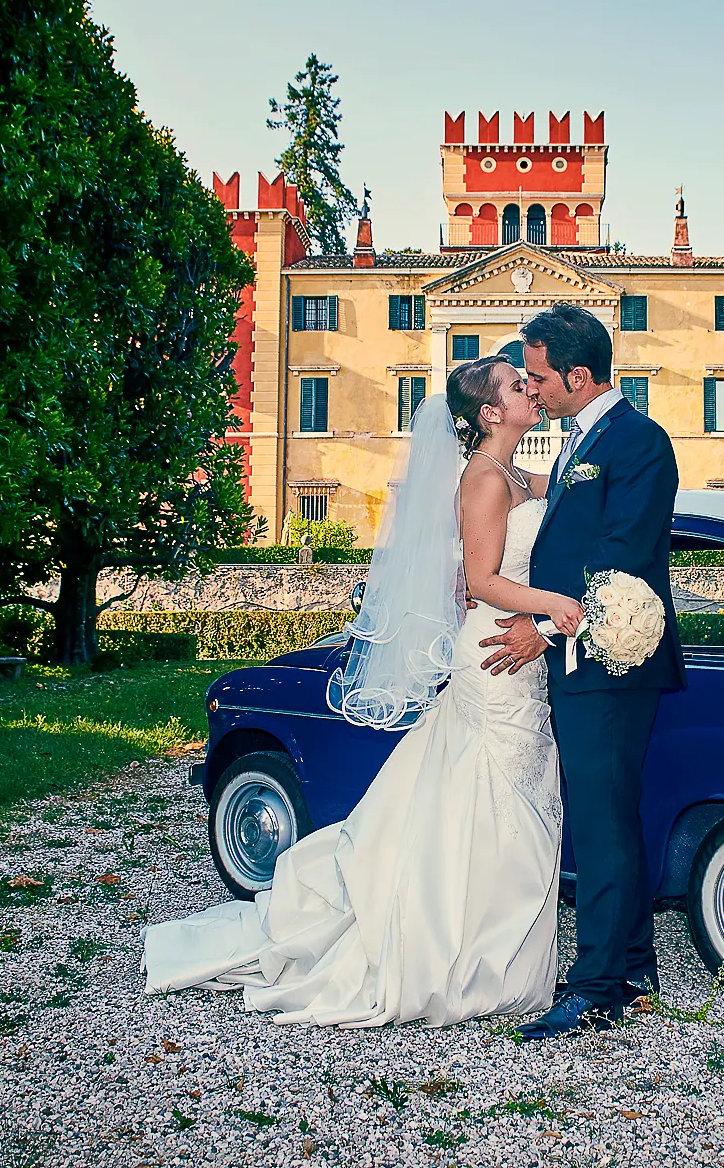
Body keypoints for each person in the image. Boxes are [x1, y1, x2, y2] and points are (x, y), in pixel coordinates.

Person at [140, 357, 585, 1027]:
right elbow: (482, 579)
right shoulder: (484, 478)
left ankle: (499, 955)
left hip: (523, 658)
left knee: (510, 799)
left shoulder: (521, 474)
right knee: (491, 797)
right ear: (492, 412)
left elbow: (574, 487)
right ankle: (468, 960)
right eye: (518, 385)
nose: (531, 389)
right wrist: (555, 604)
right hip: (494, 650)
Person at [479, 303, 686, 1040]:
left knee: (600, 823)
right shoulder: (579, 438)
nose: (532, 389)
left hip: (609, 660)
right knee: (609, 816)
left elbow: (622, 555)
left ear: (578, 373)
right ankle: (632, 965)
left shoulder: (639, 440)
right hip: (583, 658)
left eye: (538, 377)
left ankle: (598, 989)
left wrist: (541, 628)